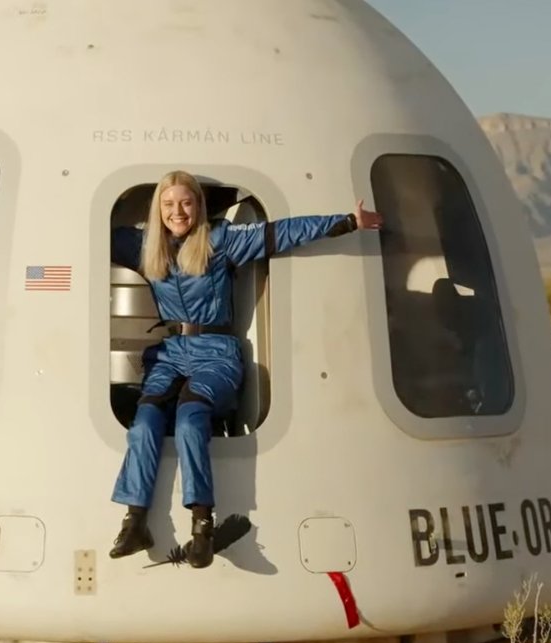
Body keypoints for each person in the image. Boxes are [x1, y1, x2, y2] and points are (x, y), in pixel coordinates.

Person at [105, 170, 383, 568]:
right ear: (158, 209)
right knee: (146, 421)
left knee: (190, 419)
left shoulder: (220, 241)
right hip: (171, 352)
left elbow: (281, 233)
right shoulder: (143, 245)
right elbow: (83, 232)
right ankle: (135, 521)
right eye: (168, 204)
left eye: (186, 203)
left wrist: (347, 222)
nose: (177, 212)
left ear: (198, 205)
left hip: (215, 351)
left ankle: (202, 525)